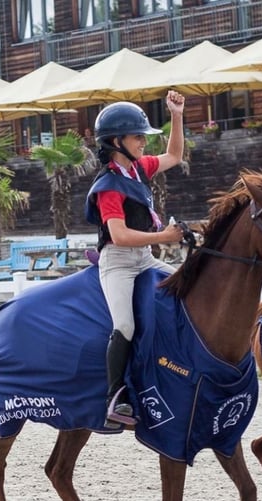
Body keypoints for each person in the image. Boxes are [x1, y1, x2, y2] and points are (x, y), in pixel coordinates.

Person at [85, 92, 186, 428]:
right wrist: (164, 237)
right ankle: (116, 398)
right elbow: (120, 235)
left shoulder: (140, 169)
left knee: (188, 287)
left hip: (144, 259)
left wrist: (177, 114)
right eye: (138, 137)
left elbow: (174, 154)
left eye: (144, 137)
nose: (144, 142)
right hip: (118, 263)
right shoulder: (108, 186)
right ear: (117, 142)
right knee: (125, 325)